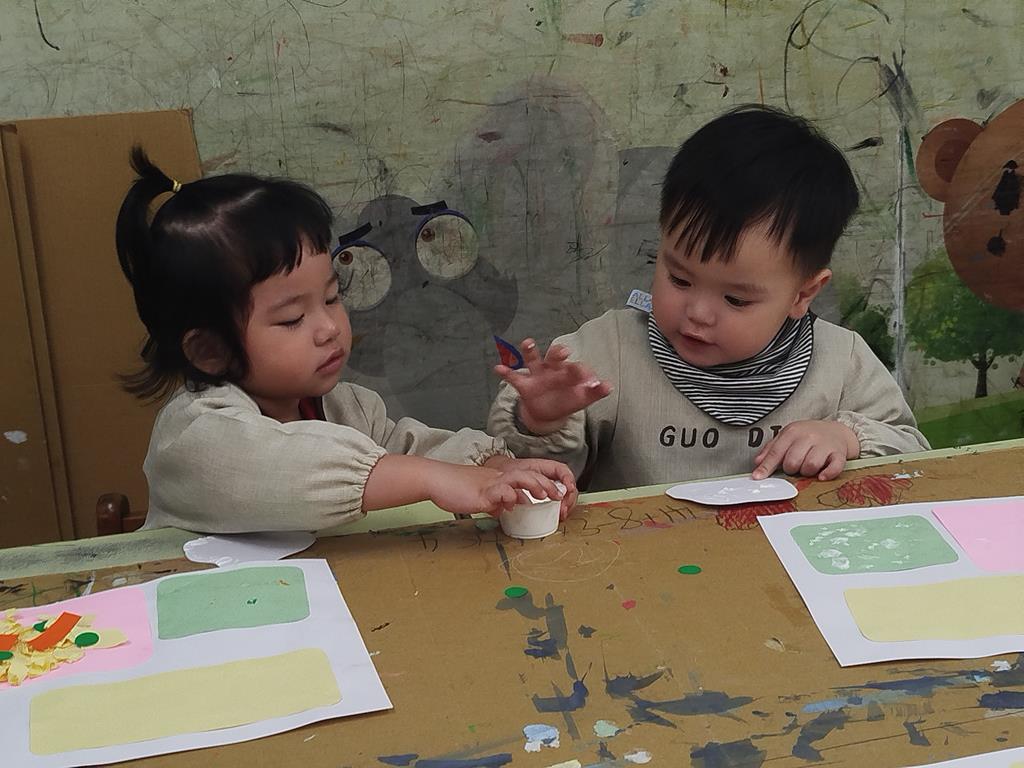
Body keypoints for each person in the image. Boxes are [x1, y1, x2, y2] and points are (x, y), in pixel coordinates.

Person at [116, 148, 575, 532]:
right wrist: (433, 479)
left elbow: (408, 450)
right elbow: (285, 467)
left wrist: (493, 470)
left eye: (332, 297)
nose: (330, 327)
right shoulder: (194, 435)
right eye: (293, 318)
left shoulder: (348, 408)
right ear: (210, 351)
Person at [488, 105, 929, 491]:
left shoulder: (840, 363)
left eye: (736, 300)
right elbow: (521, 479)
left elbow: (914, 455)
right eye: (679, 279)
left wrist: (846, 438)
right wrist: (541, 421)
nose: (697, 313)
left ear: (803, 294)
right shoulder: (607, 352)